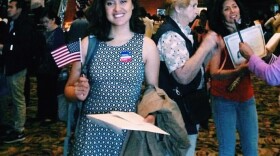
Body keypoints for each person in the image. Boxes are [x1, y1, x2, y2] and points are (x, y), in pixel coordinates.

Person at [64, 0, 160, 155]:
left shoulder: (147, 46)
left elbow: (153, 93)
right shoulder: (87, 43)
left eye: (123, 1)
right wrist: (76, 92)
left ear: (133, 5)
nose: (117, 8)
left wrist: (151, 115)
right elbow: (68, 89)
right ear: (103, 7)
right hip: (90, 135)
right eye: (110, 3)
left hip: (128, 135)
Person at [151, 0, 220, 155]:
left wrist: (210, 50)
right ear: (178, 8)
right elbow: (183, 76)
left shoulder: (182, 31)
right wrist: (205, 46)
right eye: (193, 6)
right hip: (177, 112)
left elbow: (196, 67)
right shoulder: (170, 35)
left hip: (185, 109)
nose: (197, 11)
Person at [208, 0, 259, 155]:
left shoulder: (249, 32)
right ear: (221, 14)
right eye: (226, 9)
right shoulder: (217, 38)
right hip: (223, 98)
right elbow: (214, 72)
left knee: (251, 147)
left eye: (235, 6)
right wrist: (237, 71)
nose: (232, 11)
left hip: (246, 97)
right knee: (227, 148)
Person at [36, 10, 65, 123]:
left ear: (53, 20)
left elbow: (61, 53)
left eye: (46, 22)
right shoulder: (45, 33)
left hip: (52, 68)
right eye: (43, 22)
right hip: (43, 67)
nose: (44, 24)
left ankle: (50, 115)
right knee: (42, 91)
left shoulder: (58, 33)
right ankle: (42, 113)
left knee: (51, 92)